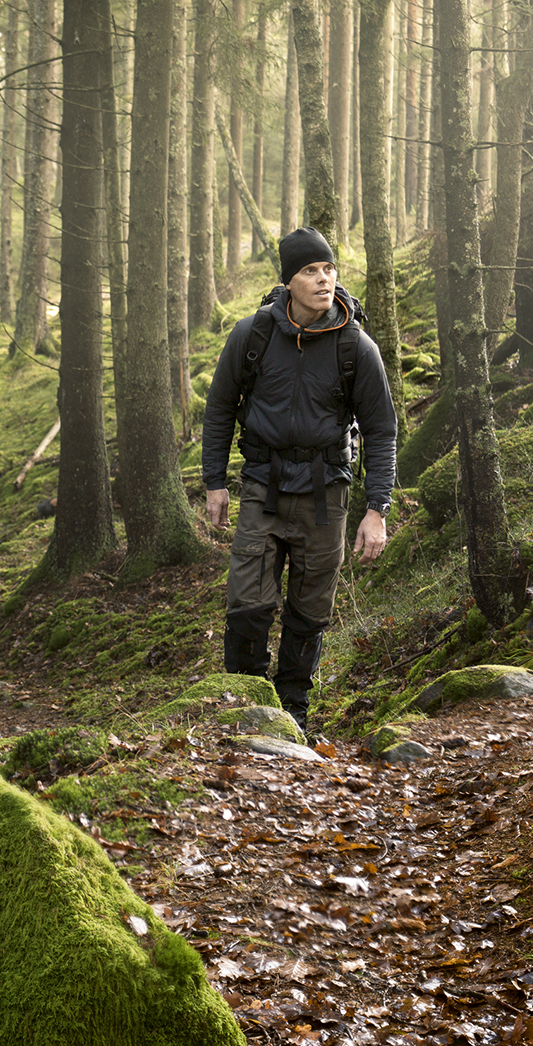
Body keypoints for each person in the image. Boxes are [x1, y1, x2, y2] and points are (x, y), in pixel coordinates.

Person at [200, 227, 398, 737]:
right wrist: (215, 481)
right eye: (311, 270)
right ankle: (246, 708)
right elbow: (220, 406)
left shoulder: (357, 346)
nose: (323, 279)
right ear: (289, 280)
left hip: (325, 492)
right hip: (263, 483)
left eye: (329, 269)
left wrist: (377, 509)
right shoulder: (253, 335)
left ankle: (293, 718)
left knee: (309, 610)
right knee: (247, 601)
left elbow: (381, 429)